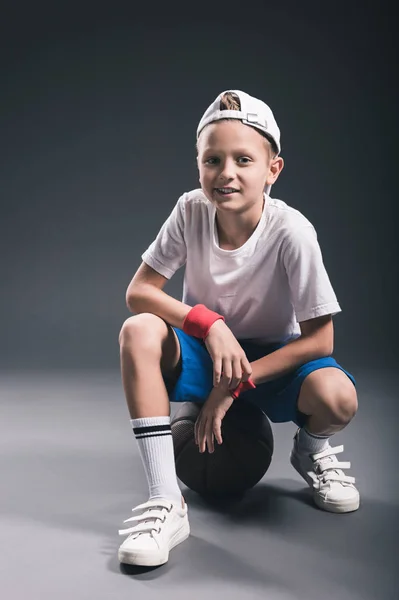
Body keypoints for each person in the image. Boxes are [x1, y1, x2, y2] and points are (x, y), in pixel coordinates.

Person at [117, 89, 359, 567]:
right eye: (213, 160)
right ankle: (167, 502)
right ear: (199, 165)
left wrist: (232, 389)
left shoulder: (292, 232)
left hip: (272, 362)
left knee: (337, 396)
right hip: (207, 352)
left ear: (273, 170)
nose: (226, 173)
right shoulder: (191, 210)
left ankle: (311, 451)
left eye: (243, 159)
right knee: (139, 330)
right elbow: (138, 292)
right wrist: (209, 324)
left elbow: (319, 340)